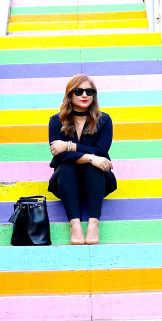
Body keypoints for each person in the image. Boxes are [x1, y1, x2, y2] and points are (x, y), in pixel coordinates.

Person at [48, 75, 117, 245]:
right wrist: (91, 158)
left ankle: (94, 223)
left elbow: (101, 151)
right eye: (79, 91)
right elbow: (59, 156)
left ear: (94, 95)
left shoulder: (104, 120)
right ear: (70, 95)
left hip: (98, 182)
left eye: (89, 91)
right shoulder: (56, 121)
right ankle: (75, 224)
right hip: (66, 182)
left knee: (92, 166)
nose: (84, 95)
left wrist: (69, 146)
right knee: (67, 166)